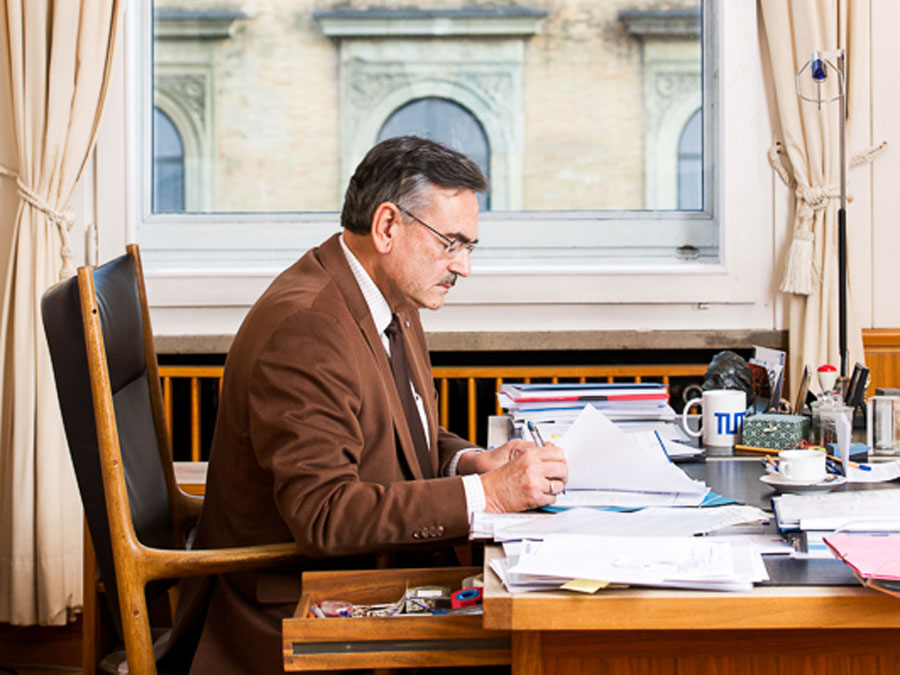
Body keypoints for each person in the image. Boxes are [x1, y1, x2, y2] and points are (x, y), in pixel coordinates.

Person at [179, 136, 568, 673]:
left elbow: (399, 434)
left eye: (469, 247)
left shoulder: (391, 296)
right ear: (387, 227)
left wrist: (470, 462)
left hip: (370, 571)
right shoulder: (307, 329)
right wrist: (489, 496)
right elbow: (326, 516)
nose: (464, 267)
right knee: (541, 649)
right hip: (292, 609)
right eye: (452, 243)